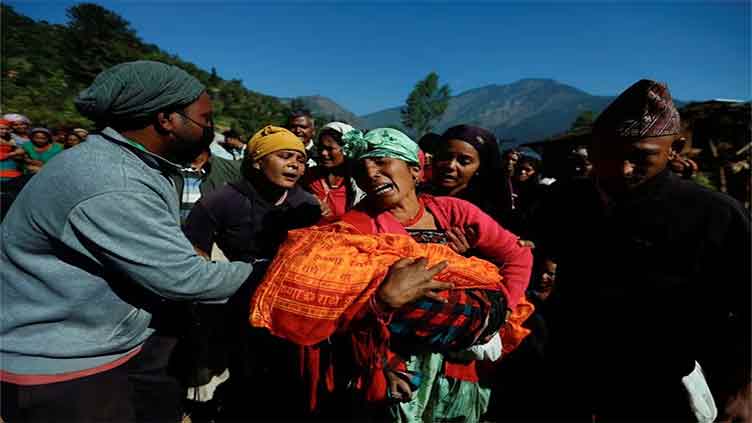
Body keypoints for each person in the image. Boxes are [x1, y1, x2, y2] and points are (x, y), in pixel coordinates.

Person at [0, 60, 254, 423]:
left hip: (103, 344)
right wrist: (265, 273)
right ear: (167, 120)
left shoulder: (129, 164)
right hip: (65, 369)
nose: (209, 131)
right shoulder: (113, 180)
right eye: (205, 119)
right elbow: (183, 278)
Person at [533, 80, 750, 421]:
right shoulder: (565, 200)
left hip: (663, 387)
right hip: (567, 377)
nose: (621, 169)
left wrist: (742, 393)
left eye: (641, 157)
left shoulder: (715, 215)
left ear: (674, 148)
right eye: (608, 154)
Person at [336, 128, 532, 421]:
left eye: (381, 161)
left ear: (415, 170)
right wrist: (380, 362)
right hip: (402, 366)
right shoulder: (354, 228)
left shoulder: (453, 211)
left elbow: (518, 255)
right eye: (360, 169)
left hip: (460, 364)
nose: (370, 174)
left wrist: (499, 312)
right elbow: (342, 304)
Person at [182, 125, 322, 420]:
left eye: (300, 159)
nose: (295, 165)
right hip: (236, 304)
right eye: (285, 156)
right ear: (258, 161)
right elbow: (194, 257)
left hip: (289, 311)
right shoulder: (220, 201)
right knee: (243, 379)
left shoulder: (307, 205)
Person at [429, 124, 513, 224]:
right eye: (445, 157)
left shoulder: (484, 213)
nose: (450, 166)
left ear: (480, 167)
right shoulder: (417, 197)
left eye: (464, 161)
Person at [303, 121, 365, 219]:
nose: (323, 153)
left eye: (330, 149)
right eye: (321, 147)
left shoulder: (359, 187)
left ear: (346, 150)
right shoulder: (308, 175)